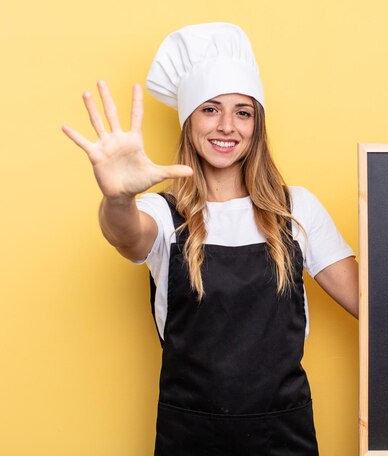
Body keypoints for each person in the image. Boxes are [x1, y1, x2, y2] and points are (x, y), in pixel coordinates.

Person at [62, 23, 358, 455]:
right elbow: (125, 235)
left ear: (256, 124)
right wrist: (119, 197)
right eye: (210, 109)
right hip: (190, 438)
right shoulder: (162, 214)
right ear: (188, 120)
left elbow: (376, 308)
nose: (227, 126)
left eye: (243, 111)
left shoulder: (297, 209)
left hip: (284, 436)